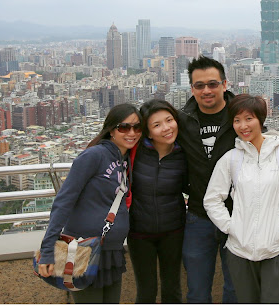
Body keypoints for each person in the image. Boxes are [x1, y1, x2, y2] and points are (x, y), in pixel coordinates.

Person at [176, 55, 279, 304]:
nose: (206, 90)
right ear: (192, 88)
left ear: (224, 84)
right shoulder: (182, 119)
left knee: (236, 291)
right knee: (196, 291)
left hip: (244, 217)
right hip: (198, 215)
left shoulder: (238, 112)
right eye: (199, 85)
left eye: (213, 84)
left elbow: (266, 141)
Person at [204, 94, 279, 303]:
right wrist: (232, 227)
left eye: (249, 118)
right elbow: (212, 199)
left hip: (278, 250)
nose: (243, 126)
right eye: (237, 120)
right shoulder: (232, 158)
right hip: (240, 251)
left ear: (261, 119)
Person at [37, 103, 142, 304]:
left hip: (112, 251)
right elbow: (64, 201)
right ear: (111, 130)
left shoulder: (125, 159)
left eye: (137, 127)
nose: (132, 133)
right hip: (84, 252)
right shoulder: (94, 155)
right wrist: (47, 250)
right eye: (124, 127)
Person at [127, 99, 187, 303]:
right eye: (157, 125)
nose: (166, 128)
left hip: (173, 230)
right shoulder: (134, 152)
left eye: (169, 120)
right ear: (148, 132)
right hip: (139, 231)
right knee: (146, 291)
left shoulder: (184, 153)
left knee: (172, 288)